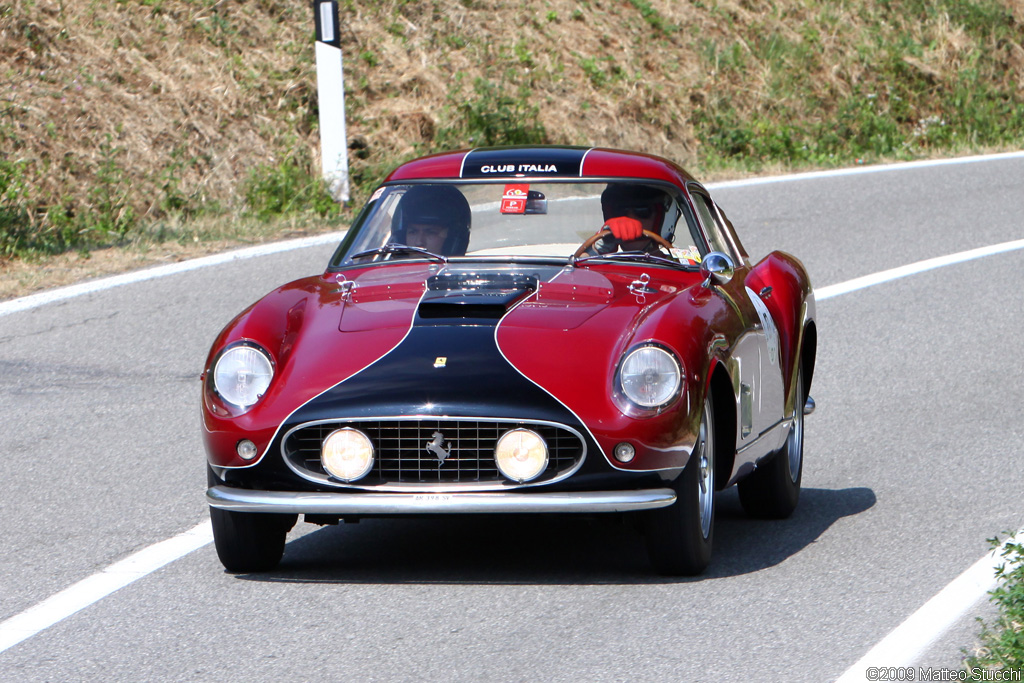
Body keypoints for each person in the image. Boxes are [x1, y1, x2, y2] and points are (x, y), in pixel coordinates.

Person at [390, 185, 472, 256]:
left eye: (431, 232)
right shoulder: (386, 272)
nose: (419, 242)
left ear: (452, 240)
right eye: (413, 232)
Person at [595, 184, 671, 254]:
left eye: (642, 211)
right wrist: (599, 246)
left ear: (658, 219)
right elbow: (583, 260)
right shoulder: (599, 263)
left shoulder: (674, 265)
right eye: (619, 211)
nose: (630, 220)